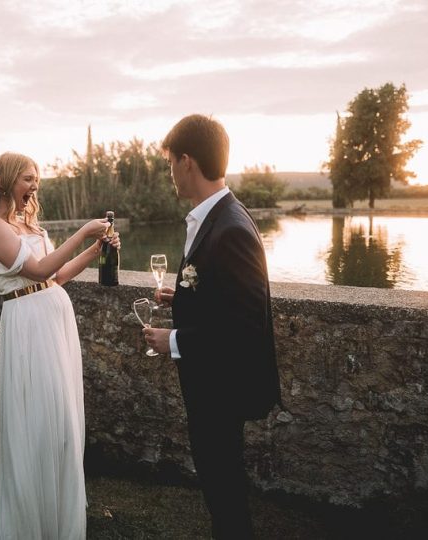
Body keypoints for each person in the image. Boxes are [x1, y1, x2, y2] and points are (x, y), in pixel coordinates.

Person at [143, 114, 282, 539]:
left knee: (224, 486)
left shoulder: (231, 228)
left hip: (222, 387)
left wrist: (175, 339)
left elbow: (244, 327)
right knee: (218, 481)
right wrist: (182, 297)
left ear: (187, 161)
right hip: (211, 384)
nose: (170, 173)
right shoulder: (214, 217)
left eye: (170, 162)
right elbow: (222, 298)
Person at [0, 151, 120, 540]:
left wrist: (96, 250)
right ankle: (27, 521)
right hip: (27, 326)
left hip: (56, 323)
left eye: (36, 179)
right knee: (35, 421)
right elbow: (37, 270)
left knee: (61, 421)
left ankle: (58, 518)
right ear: (4, 181)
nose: (34, 186)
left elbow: (55, 275)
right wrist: (84, 232)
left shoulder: (28, 225)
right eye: (27, 178)